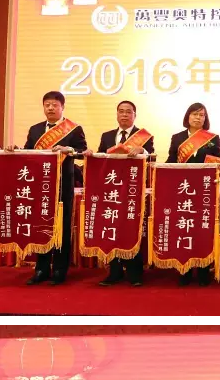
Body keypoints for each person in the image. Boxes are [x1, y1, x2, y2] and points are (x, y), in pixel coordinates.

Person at [18, 91, 87, 286]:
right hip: (40, 187)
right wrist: (14, 151)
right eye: (47, 104)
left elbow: (83, 151)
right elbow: (28, 152)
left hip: (63, 186)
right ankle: (41, 269)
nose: (50, 108)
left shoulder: (74, 129)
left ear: (62, 107)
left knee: (62, 227)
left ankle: (59, 269)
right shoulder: (35, 130)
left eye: (54, 105)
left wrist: (69, 150)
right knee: (42, 226)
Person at [92, 100, 154, 288]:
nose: (124, 115)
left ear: (135, 115)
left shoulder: (144, 137)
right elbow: (100, 159)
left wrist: (142, 150)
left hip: (132, 190)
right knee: (112, 227)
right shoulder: (107, 136)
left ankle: (135, 272)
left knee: (131, 228)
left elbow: (152, 156)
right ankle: (115, 271)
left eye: (128, 112)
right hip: (111, 191)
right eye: (121, 111)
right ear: (117, 114)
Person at [167, 102, 220, 286]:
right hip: (182, 191)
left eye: (201, 115)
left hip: (204, 191)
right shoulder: (177, 138)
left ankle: (203, 270)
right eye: (194, 114)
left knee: (203, 229)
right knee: (183, 227)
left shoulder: (213, 138)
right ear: (188, 116)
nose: (198, 117)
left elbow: (219, 163)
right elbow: (171, 161)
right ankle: (184, 269)